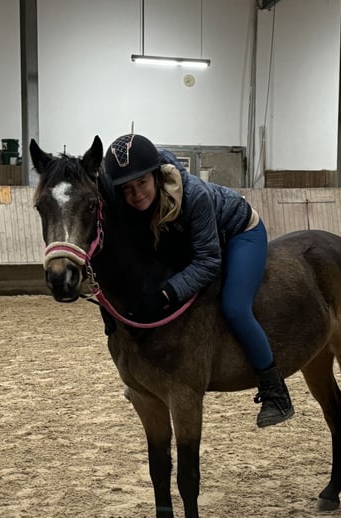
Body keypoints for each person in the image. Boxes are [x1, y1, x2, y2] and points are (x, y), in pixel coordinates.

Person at [103, 133, 294, 428]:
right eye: (127, 189)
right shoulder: (131, 203)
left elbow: (208, 261)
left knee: (235, 307)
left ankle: (274, 389)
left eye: (142, 183)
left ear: (155, 176)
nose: (136, 194)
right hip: (193, 241)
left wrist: (167, 293)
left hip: (239, 232)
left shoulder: (193, 195)